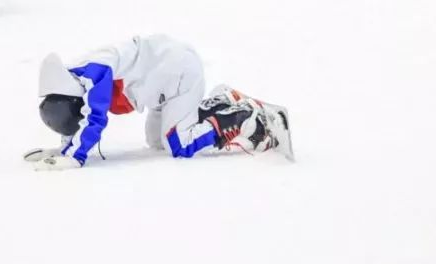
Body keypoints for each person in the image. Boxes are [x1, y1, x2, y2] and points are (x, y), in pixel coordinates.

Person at [29, 34, 291, 170]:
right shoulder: (75, 78)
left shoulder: (94, 73)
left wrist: (74, 156)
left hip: (176, 73)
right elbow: (80, 114)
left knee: (179, 144)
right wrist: (63, 149)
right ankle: (219, 103)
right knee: (156, 143)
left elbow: (94, 118)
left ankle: (248, 118)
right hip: (161, 82)